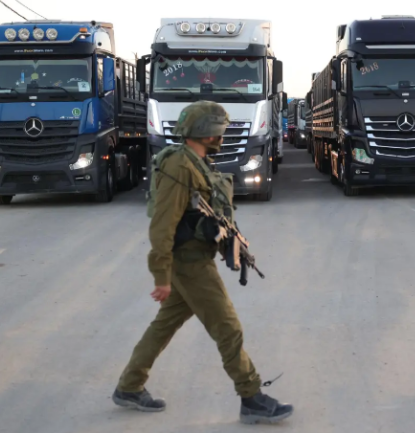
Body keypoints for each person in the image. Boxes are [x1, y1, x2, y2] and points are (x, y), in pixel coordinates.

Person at [112, 100, 293, 425]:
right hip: (189, 263)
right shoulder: (180, 166)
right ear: (205, 131)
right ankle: (251, 397)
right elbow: (163, 224)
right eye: (219, 129)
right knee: (228, 327)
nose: (223, 134)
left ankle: (129, 386)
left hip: (194, 258)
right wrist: (161, 274)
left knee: (163, 326)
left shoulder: (197, 161)